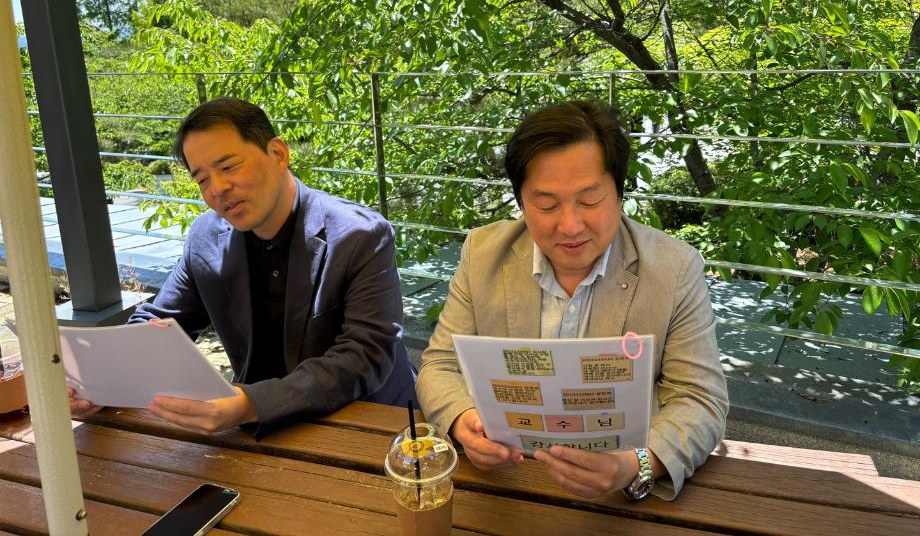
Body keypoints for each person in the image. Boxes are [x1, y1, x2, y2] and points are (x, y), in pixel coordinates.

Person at [416, 100, 728, 500]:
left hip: (617, 494)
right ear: (521, 202)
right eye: (547, 205)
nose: (570, 226)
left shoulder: (674, 269)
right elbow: (440, 364)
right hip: (509, 481)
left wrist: (637, 463)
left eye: (590, 201)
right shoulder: (483, 253)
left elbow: (700, 399)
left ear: (619, 193)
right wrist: (464, 422)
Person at [69, 97, 417, 438]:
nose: (218, 188)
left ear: (278, 154)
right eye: (202, 179)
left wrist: (251, 403)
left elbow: (365, 354)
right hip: (260, 430)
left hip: (368, 424)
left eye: (229, 167)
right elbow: (161, 322)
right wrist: (102, 381)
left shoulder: (360, 235)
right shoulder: (206, 238)